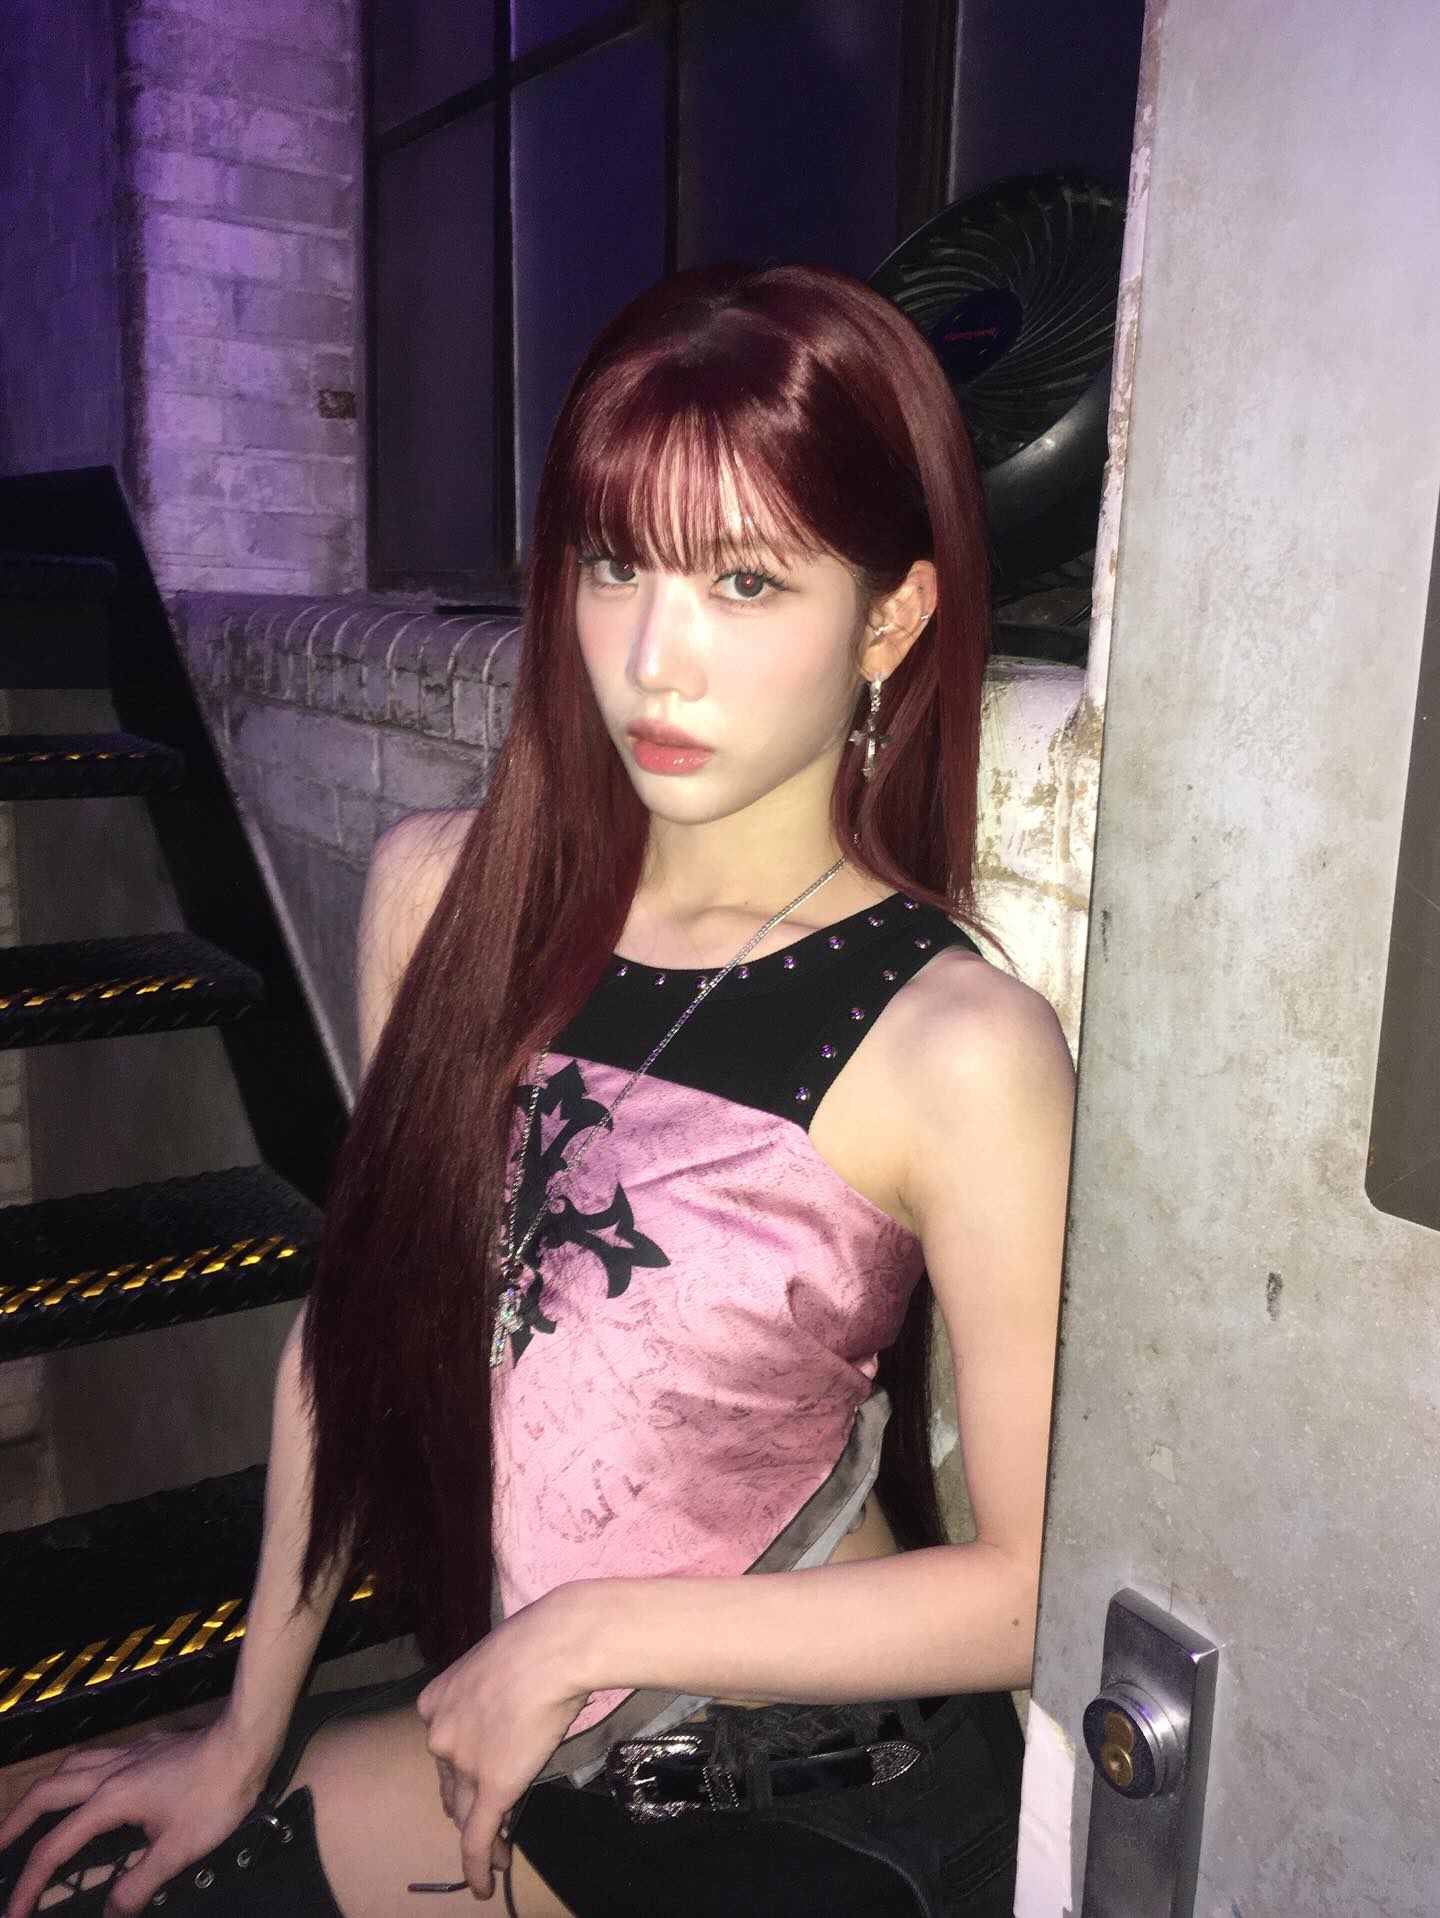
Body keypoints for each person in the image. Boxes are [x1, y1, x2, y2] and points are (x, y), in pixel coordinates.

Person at [0, 261, 1075, 1918]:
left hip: (816, 1786)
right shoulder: (444, 898)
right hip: (534, 1730)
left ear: (890, 620)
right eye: (615, 561)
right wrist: (242, 1730)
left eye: (743, 581)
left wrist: (590, 1628)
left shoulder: (959, 1042)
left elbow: (1029, 1590)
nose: (654, 658)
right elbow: (357, 1334)